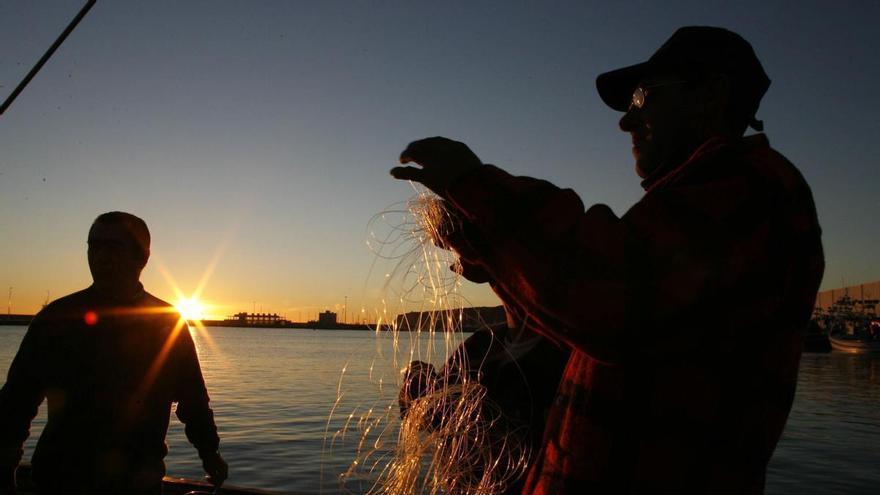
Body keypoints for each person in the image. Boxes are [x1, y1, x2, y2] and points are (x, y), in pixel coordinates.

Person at [391, 26, 824, 494]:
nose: (626, 122)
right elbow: (578, 312)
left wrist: (478, 190)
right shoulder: (686, 213)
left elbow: (607, 295)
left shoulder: (753, 192)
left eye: (641, 97)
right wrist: (480, 242)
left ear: (710, 95)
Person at [0, 212, 228, 495]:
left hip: (137, 482)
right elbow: (17, 400)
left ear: (142, 257)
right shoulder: (57, 319)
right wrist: (4, 465)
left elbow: (193, 399)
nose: (100, 256)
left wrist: (210, 453)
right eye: (93, 246)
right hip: (60, 480)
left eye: (113, 247)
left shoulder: (168, 323)